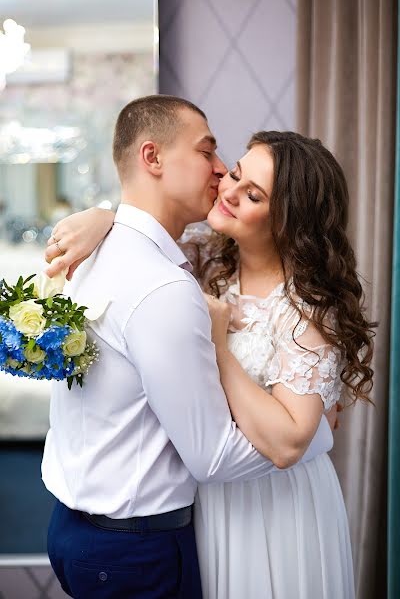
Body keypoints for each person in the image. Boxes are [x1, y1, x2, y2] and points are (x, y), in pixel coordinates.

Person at [42, 96, 334, 599]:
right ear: (153, 158)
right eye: (226, 166)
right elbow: (224, 454)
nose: (224, 181)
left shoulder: (301, 306)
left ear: (288, 217)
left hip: (271, 508)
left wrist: (300, 439)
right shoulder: (198, 264)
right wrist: (105, 215)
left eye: (253, 192)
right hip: (203, 509)